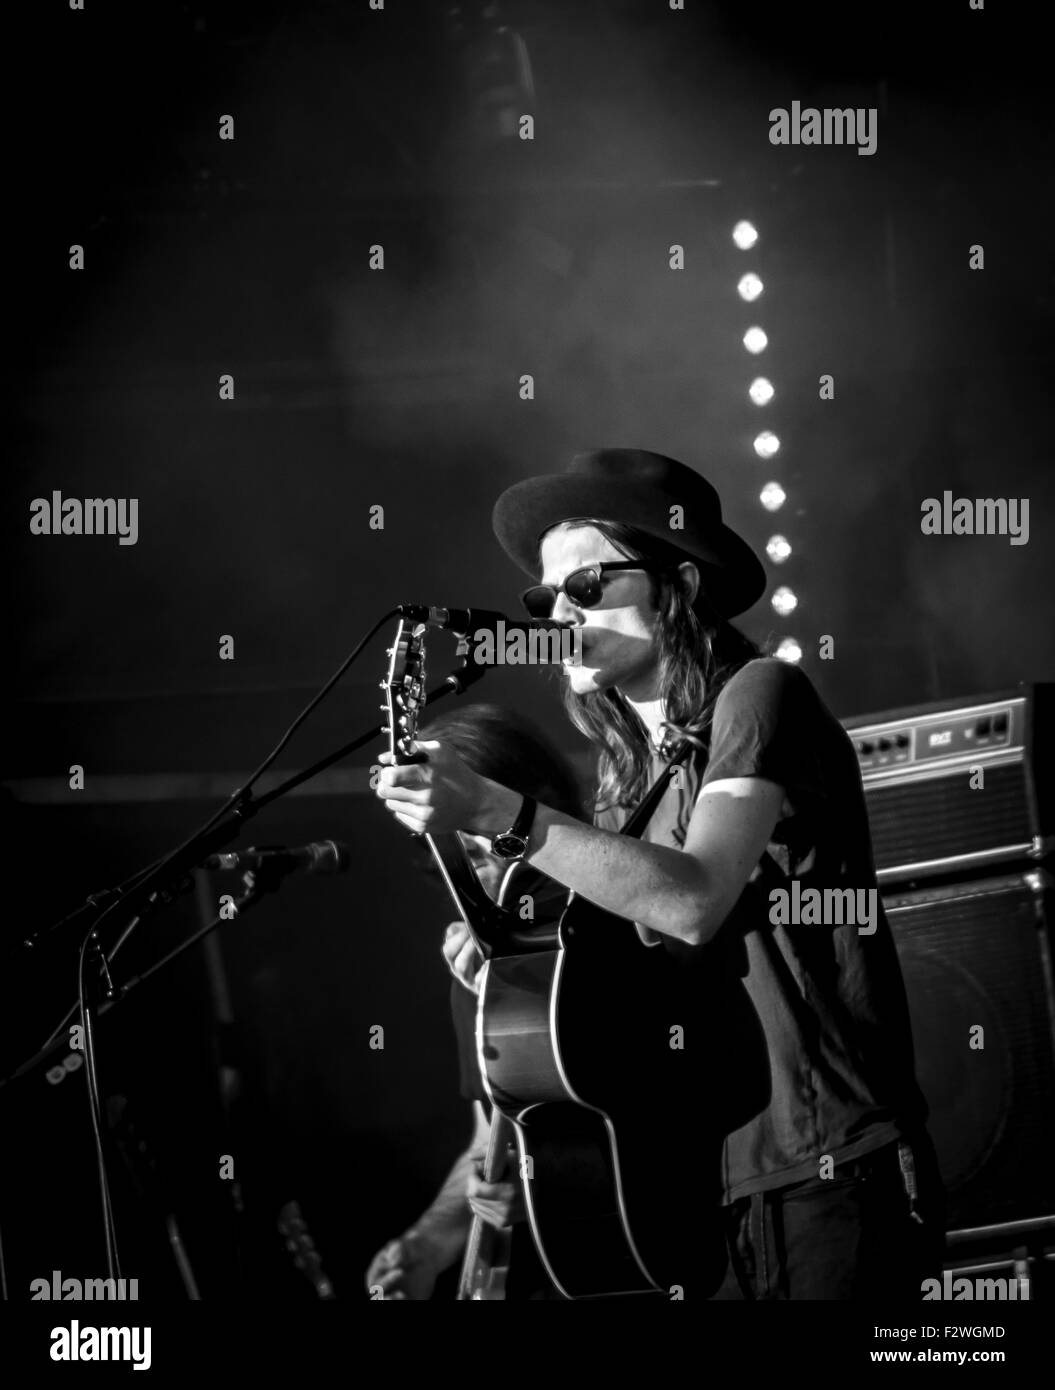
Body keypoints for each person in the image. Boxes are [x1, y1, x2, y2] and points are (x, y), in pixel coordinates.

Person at [375, 448, 946, 1301]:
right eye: (545, 598)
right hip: (700, 1187)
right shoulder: (627, 779)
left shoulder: (759, 694)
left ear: (677, 584)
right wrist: (497, 940)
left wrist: (500, 814)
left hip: (828, 1165)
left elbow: (691, 897)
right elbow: (618, 966)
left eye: (587, 586)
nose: (557, 613)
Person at [364, 704, 584, 1300]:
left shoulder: (620, 928)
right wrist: (428, 1243)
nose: (474, 883)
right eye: (457, 862)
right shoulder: (481, 961)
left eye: (485, 854)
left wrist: (557, 1180)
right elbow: (490, 1141)